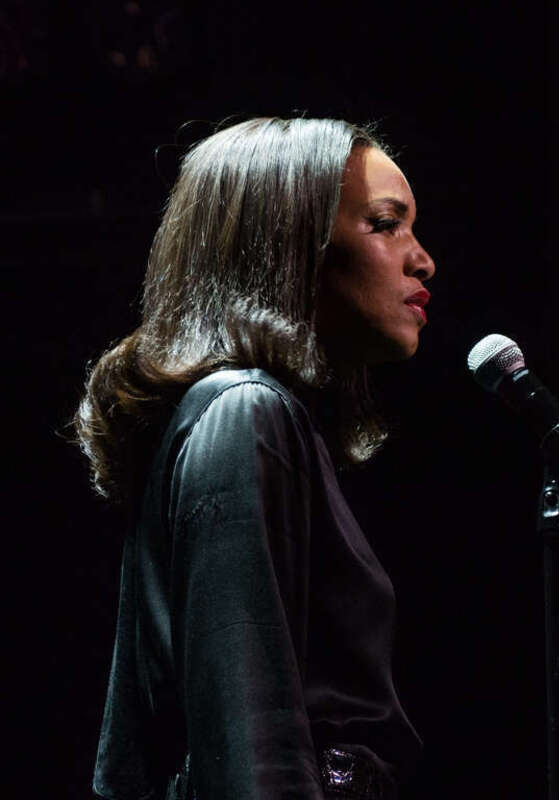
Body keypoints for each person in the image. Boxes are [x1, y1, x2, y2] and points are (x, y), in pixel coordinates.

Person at [74, 116, 435, 799]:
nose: (422, 259)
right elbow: (251, 741)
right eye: (386, 224)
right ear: (290, 244)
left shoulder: (250, 418)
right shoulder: (245, 416)